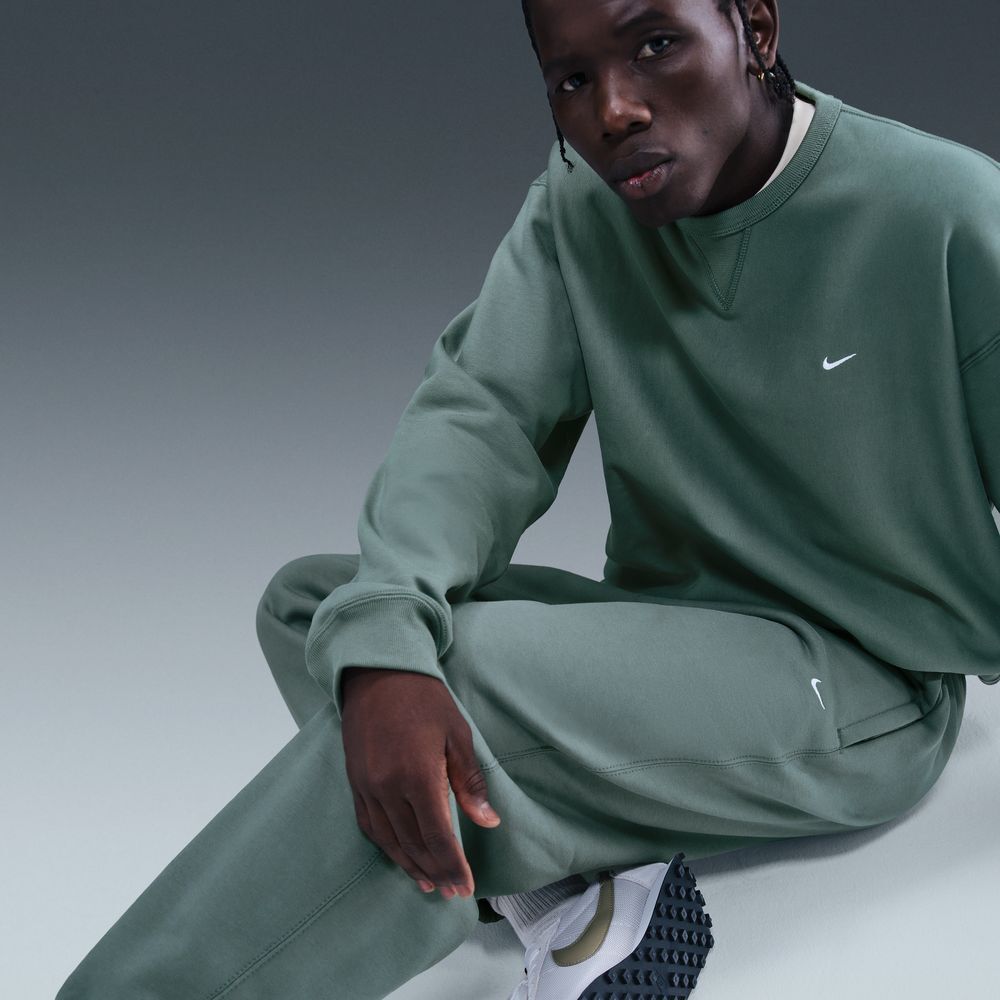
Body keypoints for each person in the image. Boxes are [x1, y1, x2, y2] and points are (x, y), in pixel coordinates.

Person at [55, 1, 999, 998]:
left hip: (860, 684)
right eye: (571, 80)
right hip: (680, 635)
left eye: (656, 44)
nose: (614, 110)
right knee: (328, 612)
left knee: (459, 675)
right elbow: (482, 418)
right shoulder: (580, 207)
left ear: (754, 27)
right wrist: (388, 629)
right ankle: (571, 896)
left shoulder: (939, 210)